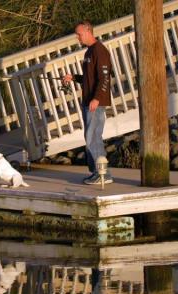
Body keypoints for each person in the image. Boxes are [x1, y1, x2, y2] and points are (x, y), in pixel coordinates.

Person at [63, 21, 113, 185]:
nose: (77, 37)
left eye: (79, 34)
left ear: (88, 31)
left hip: (95, 102)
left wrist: (97, 98)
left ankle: (102, 174)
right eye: (76, 35)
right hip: (89, 100)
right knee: (92, 136)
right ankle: (99, 173)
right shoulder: (89, 52)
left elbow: (104, 77)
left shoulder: (99, 51)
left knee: (93, 137)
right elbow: (88, 79)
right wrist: (74, 78)